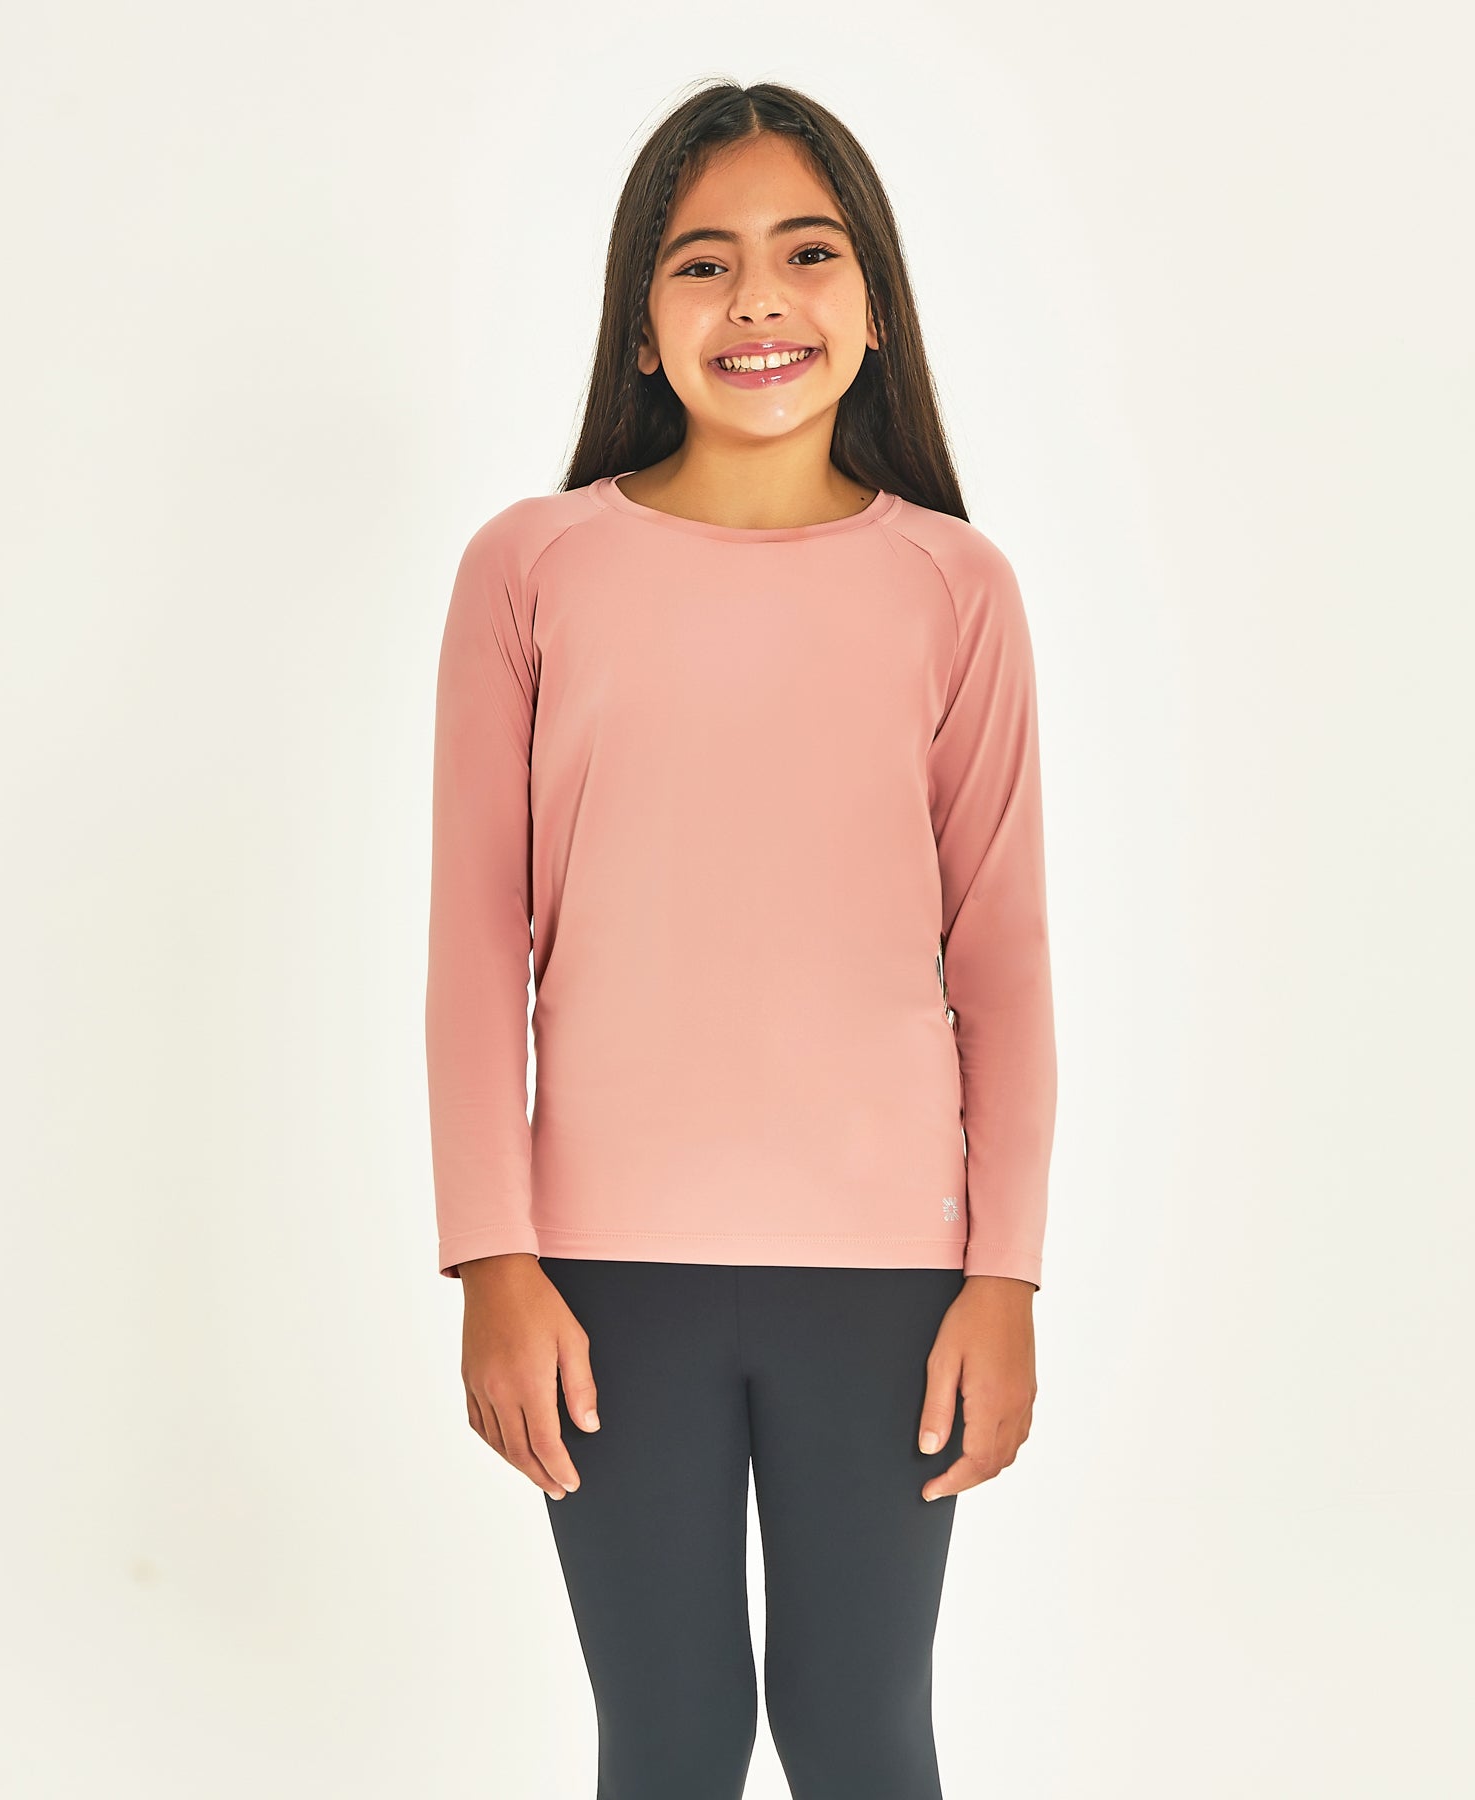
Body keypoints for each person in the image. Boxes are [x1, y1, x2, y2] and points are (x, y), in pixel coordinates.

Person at [425, 79, 1058, 1800]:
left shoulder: (956, 587)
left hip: (892, 1273)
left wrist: (1005, 1276)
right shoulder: (532, 569)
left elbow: (1001, 959)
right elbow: (476, 941)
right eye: (703, 262)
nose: (757, 299)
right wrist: (493, 1257)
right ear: (642, 322)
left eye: (807, 253)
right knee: (673, 1738)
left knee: (862, 1737)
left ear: (875, 304)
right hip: (603, 1273)